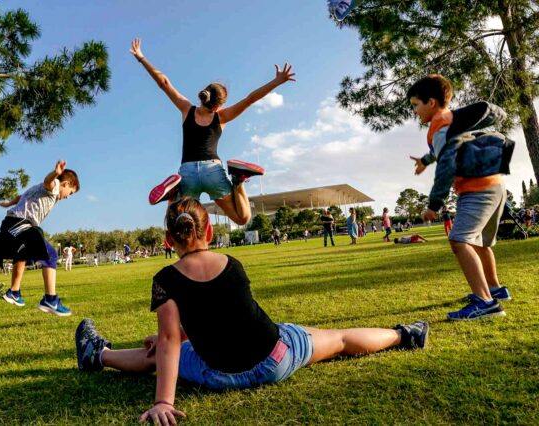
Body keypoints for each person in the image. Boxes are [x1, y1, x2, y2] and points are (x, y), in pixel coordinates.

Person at [74, 197, 429, 425]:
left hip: (216, 375)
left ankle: (98, 354)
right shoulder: (232, 263)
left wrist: (164, 401)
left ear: (169, 240)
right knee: (337, 339)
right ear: (208, 231)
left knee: (160, 354)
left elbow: (169, 340)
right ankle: (404, 335)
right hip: (275, 360)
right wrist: (176, 340)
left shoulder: (165, 278)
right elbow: (227, 317)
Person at [131, 38, 295, 225]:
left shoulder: (187, 110)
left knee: (181, 222)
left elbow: (164, 83)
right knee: (242, 218)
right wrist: (277, 81)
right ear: (218, 106)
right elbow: (250, 99)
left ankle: (173, 195)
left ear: (203, 97)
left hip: (187, 173)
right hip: (212, 172)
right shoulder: (221, 117)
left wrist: (141, 57)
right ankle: (238, 179)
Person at [408, 74, 510, 320]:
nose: (415, 111)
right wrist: (425, 160)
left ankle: (486, 303)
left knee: (458, 240)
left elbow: (447, 163)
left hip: (476, 191)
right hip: (496, 187)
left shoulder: (440, 126)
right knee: (479, 243)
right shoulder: (454, 122)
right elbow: (446, 148)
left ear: (431, 102)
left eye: (415, 105)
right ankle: (495, 289)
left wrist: (434, 204)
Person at [0, 160, 78, 317]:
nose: (68, 197)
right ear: (66, 183)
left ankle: (14, 292)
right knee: (51, 255)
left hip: (10, 224)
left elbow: (20, 197)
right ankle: (50, 299)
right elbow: (48, 182)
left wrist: (8, 203)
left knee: (22, 255)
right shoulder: (55, 187)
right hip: (20, 224)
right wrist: (56, 174)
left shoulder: (36, 189)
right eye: (70, 192)